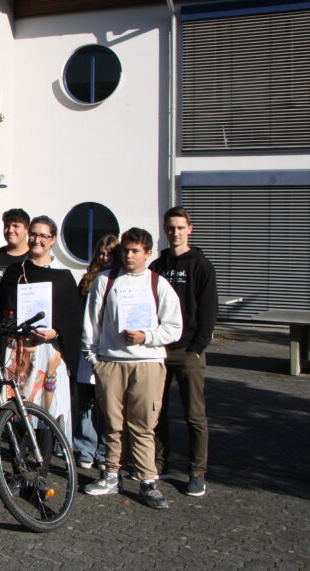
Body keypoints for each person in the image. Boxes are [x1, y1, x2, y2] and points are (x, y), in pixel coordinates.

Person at [81, 227, 182, 510]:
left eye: (136, 251)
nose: (129, 255)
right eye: (126, 250)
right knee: (113, 424)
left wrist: (147, 337)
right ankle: (111, 474)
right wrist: (95, 360)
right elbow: (91, 322)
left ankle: (148, 480)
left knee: (143, 424)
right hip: (111, 362)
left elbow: (174, 326)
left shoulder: (157, 284)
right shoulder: (105, 280)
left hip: (147, 362)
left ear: (147, 254)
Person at [0, 216, 81, 444]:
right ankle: (18, 462)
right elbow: (3, 309)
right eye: (34, 234)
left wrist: (56, 332)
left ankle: (43, 467)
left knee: (47, 407)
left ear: (52, 240)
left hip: (49, 352)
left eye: (43, 236)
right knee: (18, 405)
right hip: (18, 350)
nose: (37, 240)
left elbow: (72, 318)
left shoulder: (63, 276)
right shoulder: (14, 272)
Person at [150, 207, 218, 498]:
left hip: (188, 351)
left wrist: (197, 348)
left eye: (179, 227)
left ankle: (197, 472)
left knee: (194, 415)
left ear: (190, 229)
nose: (174, 232)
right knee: (157, 412)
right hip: (158, 349)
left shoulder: (201, 266)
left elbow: (208, 310)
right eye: (170, 228)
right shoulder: (157, 265)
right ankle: (158, 464)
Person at [74, 234, 120, 470]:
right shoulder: (87, 281)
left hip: (111, 350)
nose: (104, 257)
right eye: (101, 252)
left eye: (109, 253)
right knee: (86, 402)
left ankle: (104, 450)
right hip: (86, 348)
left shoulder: (121, 280)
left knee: (107, 403)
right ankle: (85, 447)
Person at [0, 207, 31, 287]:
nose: (10, 230)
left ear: (27, 230)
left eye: (15, 226)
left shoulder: (34, 258)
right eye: (7, 226)